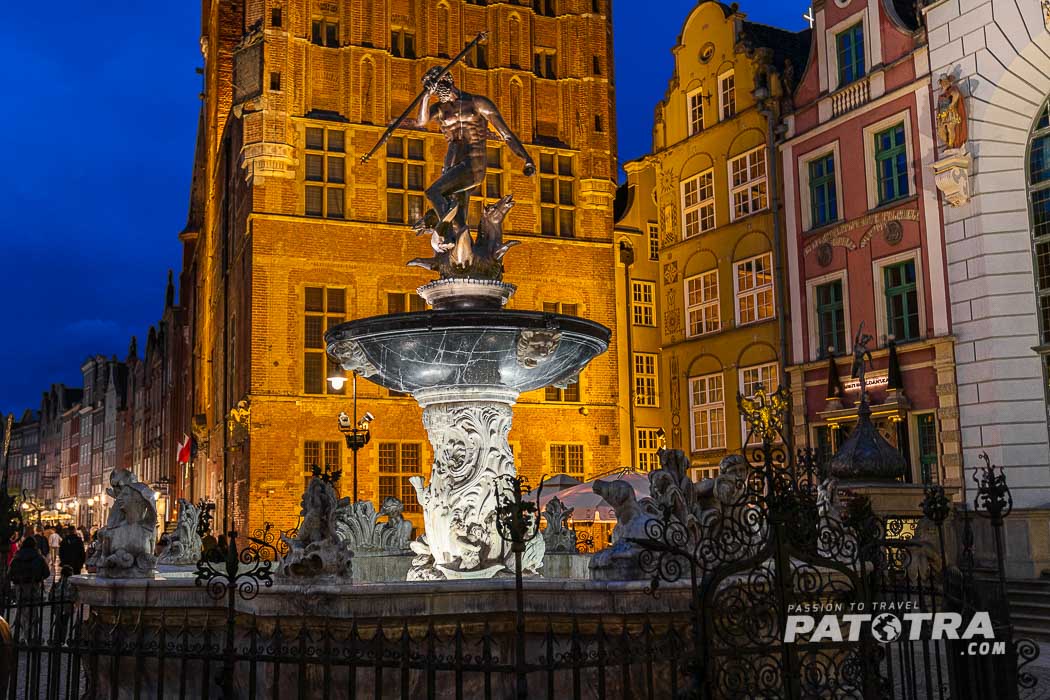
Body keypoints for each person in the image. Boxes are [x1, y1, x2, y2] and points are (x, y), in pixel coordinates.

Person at [412, 67, 535, 246]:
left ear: (447, 81)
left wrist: (526, 158)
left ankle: (444, 230)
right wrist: (425, 96)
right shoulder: (439, 109)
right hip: (451, 168)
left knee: (433, 192)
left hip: (472, 165)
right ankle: (462, 253)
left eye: (437, 87)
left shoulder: (478, 103)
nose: (437, 93)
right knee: (459, 223)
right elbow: (421, 122)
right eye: (434, 90)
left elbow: (506, 134)